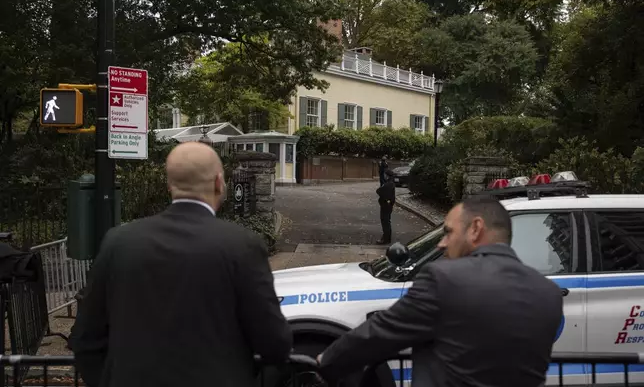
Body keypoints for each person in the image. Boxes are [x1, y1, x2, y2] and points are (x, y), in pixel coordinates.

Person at [69, 142, 293, 387]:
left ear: (169, 186)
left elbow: (85, 339)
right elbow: (274, 342)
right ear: (219, 183)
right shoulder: (242, 245)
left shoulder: (119, 242)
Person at [317, 196, 563, 387]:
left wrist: (324, 363)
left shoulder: (443, 278)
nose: (442, 243)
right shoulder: (549, 294)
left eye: (448, 232)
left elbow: (379, 334)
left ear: (476, 229)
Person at [376, 169, 395, 245]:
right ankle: (387, 238)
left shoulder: (388, 184)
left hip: (386, 206)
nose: (384, 175)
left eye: (385, 174)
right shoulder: (390, 183)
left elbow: (379, 191)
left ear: (387, 176)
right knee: (387, 221)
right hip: (388, 206)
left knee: (385, 222)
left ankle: (385, 239)